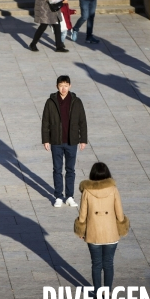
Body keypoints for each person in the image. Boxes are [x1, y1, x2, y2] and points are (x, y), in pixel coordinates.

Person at [74, 162, 129, 299]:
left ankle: (98, 294)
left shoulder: (86, 191)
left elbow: (82, 214)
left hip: (93, 233)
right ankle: (108, 292)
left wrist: (81, 230)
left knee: (96, 264)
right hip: (111, 233)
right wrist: (122, 226)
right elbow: (120, 213)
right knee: (109, 263)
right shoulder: (113, 189)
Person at [41, 75, 88, 207]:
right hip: (56, 141)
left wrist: (83, 139)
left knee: (70, 169)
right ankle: (58, 196)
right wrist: (46, 139)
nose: (63, 88)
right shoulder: (50, 102)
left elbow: (82, 121)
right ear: (57, 86)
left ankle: (70, 196)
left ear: (70, 86)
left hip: (71, 141)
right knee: (57, 169)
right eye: (61, 86)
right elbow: (45, 122)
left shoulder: (76, 101)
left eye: (66, 86)